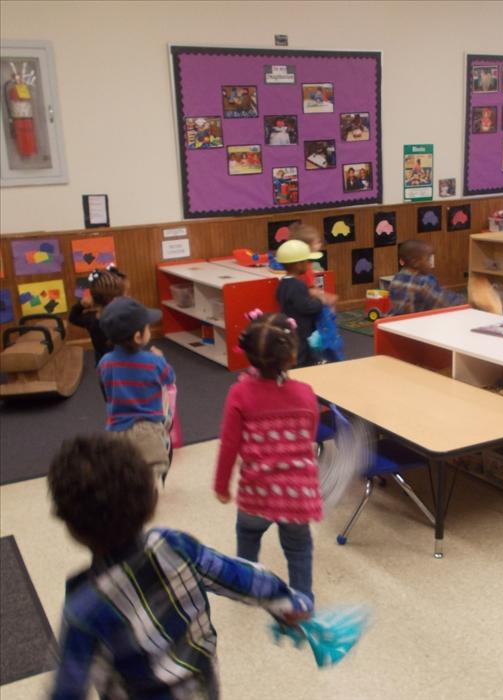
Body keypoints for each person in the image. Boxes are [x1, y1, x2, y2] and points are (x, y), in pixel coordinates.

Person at [48, 434, 311, 699]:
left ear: (71, 527)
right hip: (200, 689)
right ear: (151, 500)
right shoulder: (174, 546)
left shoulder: (83, 611)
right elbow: (242, 577)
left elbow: (66, 691)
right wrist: (288, 602)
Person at [214, 311, 322, 600]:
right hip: (296, 496)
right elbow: (309, 436)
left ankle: (245, 588)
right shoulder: (305, 393)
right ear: (291, 355)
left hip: (255, 493)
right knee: (299, 549)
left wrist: (221, 487)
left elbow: (229, 445)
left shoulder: (239, 394)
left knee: (247, 539)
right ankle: (301, 598)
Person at [98, 297, 176, 481]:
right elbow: (169, 378)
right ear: (138, 336)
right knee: (149, 475)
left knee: (123, 474)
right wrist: (161, 359)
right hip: (148, 429)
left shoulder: (105, 362)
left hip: (116, 429)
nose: (150, 328)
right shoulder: (154, 362)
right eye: (148, 326)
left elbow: (105, 387)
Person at [275, 239, 336, 366]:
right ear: (298, 265)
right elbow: (306, 307)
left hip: (291, 327)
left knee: (306, 351)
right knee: (300, 355)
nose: (309, 265)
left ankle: (312, 362)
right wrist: (320, 301)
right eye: (306, 262)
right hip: (300, 330)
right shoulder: (297, 285)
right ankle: (300, 373)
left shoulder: (283, 283)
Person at [68, 265, 128, 365]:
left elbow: (73, 317)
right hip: (125, 365)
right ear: (116, 298)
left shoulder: (91, 319)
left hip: (104, 366)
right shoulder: (126, 316)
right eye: (125, 294)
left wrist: (81, 305)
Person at [388, 240, 465, 316]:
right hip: (415, 324)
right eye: (428, 259)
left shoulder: (397, 278)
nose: (430, 263)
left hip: (394, 323)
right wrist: (468, 300)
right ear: (415, 263)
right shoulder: (422, 282)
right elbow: (445, 302)